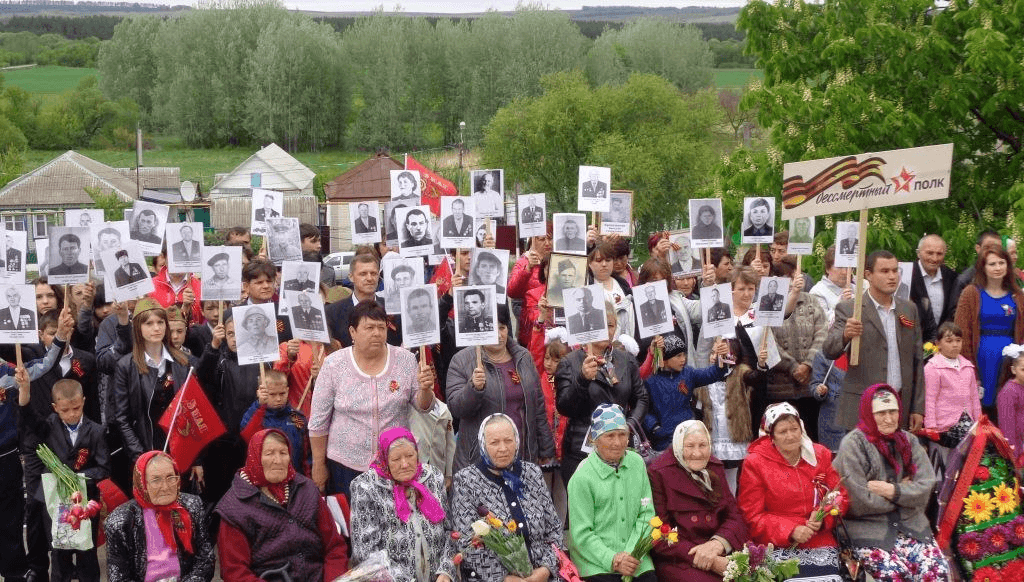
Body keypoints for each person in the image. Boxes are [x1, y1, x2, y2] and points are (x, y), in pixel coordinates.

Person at [309, 300, 434, 495]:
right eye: (369, 327)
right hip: (346, 463)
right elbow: (318, 421)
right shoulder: (334, 364)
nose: (376, 333)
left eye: (381, 327)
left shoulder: (406, 359)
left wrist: (426, 390)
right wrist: (318, 464)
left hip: (394, 462)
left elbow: (423, 407)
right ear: (352, 332)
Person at [833, 385, 951, 582]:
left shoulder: (909, 442)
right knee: (894, 577)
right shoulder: (853, 444)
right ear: (868, 414)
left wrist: (890, 490)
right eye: (880, 413)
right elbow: (858, 500)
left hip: (911, 526)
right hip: (868, 531)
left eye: (893, 411)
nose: (888, 419)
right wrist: (905, 495)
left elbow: (925, 488)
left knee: (937, 572)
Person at [215, 429, 348, 581]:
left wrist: (333, 579)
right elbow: (235, 572)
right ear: (255, 457)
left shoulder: (307, 489)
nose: (278, 460)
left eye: (283, 453)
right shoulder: (234, 507)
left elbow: (335, 547)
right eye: (269, 453)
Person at [738, 403, 844, 581]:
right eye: (783, 432)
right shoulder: (755, 463)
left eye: (794, 429)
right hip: (775, 542)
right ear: (771, 436)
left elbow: (840, 494)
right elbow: (752, 516)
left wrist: (824, 518)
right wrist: (790, 530)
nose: (791, 436)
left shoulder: (821, 454)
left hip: (819, 539)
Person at [822, 250, 926, 431]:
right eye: (884, 271)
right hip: (863, 407)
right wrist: (845, 335)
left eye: (895, 271)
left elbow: (918, 361)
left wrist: (918, 408)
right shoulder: (849, 309)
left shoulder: (908, 309)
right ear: (868, 275)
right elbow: (829, 350)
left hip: (900, 406)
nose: (892, 276)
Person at [450, 414, 561, 581]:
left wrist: (545, 571)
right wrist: (505, 578)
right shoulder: (466, 481)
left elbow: (554, 531)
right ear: (483, 444)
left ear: (516, 441)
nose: (503, 448)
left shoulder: (532, 473)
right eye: (494, 443)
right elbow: (466, 541)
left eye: (508, 440)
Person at [18, 377, 108, 582]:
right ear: (55, 407)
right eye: (65, 410)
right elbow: (29, 418)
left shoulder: (96, 431)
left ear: (84, 401)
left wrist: (76, 478)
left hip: (86, 504)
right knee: (59, 554)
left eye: (76, 408)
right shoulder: (48, 426)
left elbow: (104, 468)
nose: (72, 414)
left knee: (87, 553)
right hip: (56, 504)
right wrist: (24, 392)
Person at [446, 306, 554, 471]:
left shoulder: (523, 357)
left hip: (522, 456)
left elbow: (537, 404)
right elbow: (456, 408)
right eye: (492, 328)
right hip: (479, 461)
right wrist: (473, 388)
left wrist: (545, 446)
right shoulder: (462, 361)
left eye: (502, 328)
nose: (498, 335)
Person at [693, 267, 770, 492]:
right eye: (741, 288)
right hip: (716, 390)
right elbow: (701, 353)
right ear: (731, 291)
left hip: (746, 389)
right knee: (716, 454)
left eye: (750, 288)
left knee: (742, 454)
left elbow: (763, 356)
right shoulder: (716, 315)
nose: (746, 293)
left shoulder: (758, 316)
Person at [349, 428, 456, 582]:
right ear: (384, 458)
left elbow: (450, 531)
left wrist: (446, 571)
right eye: (396, 459)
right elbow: (365, 552)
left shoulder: (433, 477)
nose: (405, 464)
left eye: (410, 456)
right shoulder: (366, 487)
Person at [556, 302, 647, 482]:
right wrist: (582, 379)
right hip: (581, 451)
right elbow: (565, 407)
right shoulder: (570, 362)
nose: (606, 330)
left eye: (611, 325)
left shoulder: (626, 360)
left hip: (620, 446)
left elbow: (641, 398)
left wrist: (627, 426)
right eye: (600, 324)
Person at [648, 421, 749, 581]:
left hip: (717, 549)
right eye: (690, 446)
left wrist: (717, 544)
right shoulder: (659, 473)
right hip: (680, 559)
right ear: (678, 446)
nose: (697, 453)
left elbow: (734, 516)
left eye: (703, 445)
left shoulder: (714, 466)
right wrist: (709, 559)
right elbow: (661, 532)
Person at [567, 404, 656, 582]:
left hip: (636, 559)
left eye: (622, 434)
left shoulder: (637, 463)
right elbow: (581, 534)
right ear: (594, 439)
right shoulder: (582, 477)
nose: (617, 442)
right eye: (610, 436)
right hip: (596, 562)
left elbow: (647, 514)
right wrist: (613, 559)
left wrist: (632, 554)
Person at [104, 451, 215, 582]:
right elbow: (118, 577)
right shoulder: (120, 521)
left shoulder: (192, 506)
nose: (165, 487)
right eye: (156, 480)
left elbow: (206, 559)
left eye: (170, 477)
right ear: (142, 483)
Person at [110, 298, 194, 464]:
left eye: (160, 322)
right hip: (144, 449)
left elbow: (192, 411)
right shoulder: (126, 366)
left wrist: (195, 459)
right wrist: (141, 457)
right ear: (138, 327)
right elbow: (122, 419)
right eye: (149, 323)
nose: (156, 328)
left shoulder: (183, 362)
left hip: (177, 449)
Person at [953, 246, 1024, 416]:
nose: (998, 267)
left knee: (1007, 408)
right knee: (981, 407)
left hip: (1009, 362)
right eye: (992, 264)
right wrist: (968, 368)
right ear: (983, 267)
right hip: (980, 359)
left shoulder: (1017, 295)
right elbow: (961, 332)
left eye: (1002, 263)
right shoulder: (971, 293)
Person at [641, 332, 727, 451]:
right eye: (678, 356)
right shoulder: (650, 379)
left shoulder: (688, 373)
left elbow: (712, 374)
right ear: (664, 359)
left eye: (684, 355)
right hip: (664, 441)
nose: (683, 359)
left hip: (688, 434)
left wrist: (721, 359)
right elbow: (642, 408)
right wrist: (654, 428)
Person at [923, 322, 981, 432]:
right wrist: (931, 426)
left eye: (958, 340)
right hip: (943, 427)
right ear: (938, 344)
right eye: (949, 341)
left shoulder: (968, 366)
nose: (955, 345)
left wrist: (979, 422)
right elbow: (929, 399)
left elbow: (974, 398)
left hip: (968, 426)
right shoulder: (933, 367)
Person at [909, 235, 957, 342]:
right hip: (912, 342)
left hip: (943, 344)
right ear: (918, 253)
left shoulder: (952, 277)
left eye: (939, 254)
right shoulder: (906, 275)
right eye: (929, 253)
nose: (934, 258)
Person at [809, 245, 854, 320]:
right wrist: (842, 305)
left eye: (848, 267)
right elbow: (822, 324)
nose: (844, 272)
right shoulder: (817, 292)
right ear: (827, 269)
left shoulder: (858, 289)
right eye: (839, 267)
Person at [997, 345, 1024, 456]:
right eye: (1023, 369)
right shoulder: (1008, 392)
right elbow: (1007, 425)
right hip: (1018, 447)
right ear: (1013, 369)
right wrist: (1013, 452)